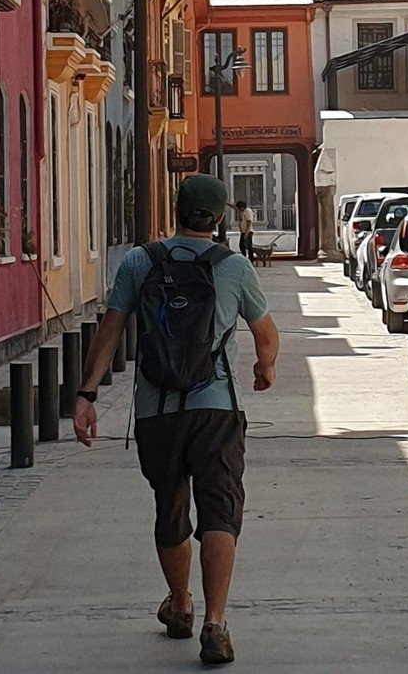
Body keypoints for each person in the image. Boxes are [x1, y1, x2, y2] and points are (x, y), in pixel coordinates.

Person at [73, 174, 280, 666]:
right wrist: (264, 366)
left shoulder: (140, 261)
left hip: (157, 411)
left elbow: (111, 327)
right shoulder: (233, 267)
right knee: (220, 512)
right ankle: (215, 624)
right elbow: (265, 334)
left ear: (176, 210)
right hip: (217, 410)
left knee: (170, 507)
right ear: (221, 218)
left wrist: (85, 395)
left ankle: (180, 604)